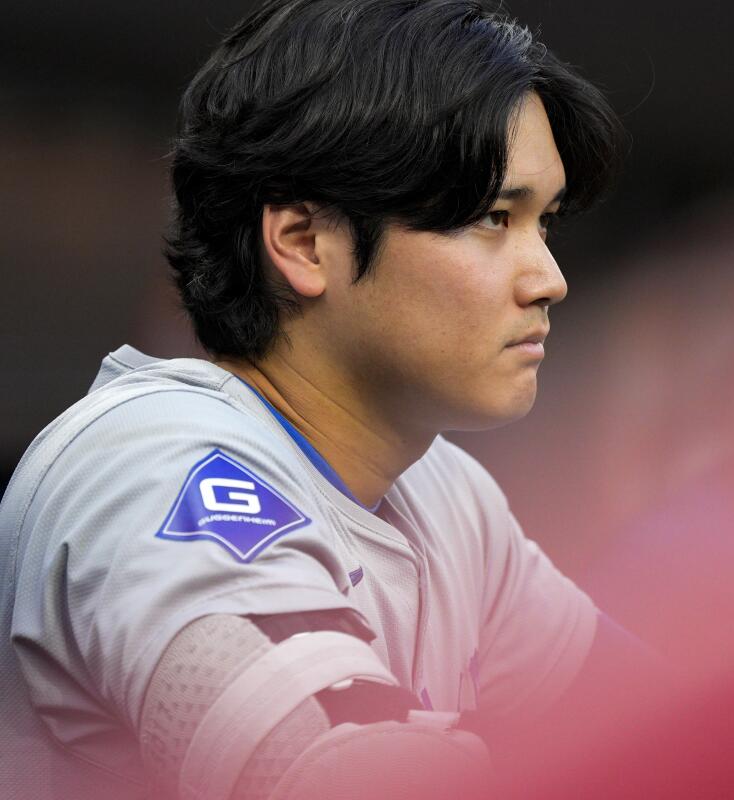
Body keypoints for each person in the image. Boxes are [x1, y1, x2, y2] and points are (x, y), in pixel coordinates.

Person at [0, 2, 637, 798]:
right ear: (303, 242)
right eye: (493, 218)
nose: (549, 278)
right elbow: (329, 772)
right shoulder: (154, 461)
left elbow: (685, 741)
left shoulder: (443, 492)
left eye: (544, 223)